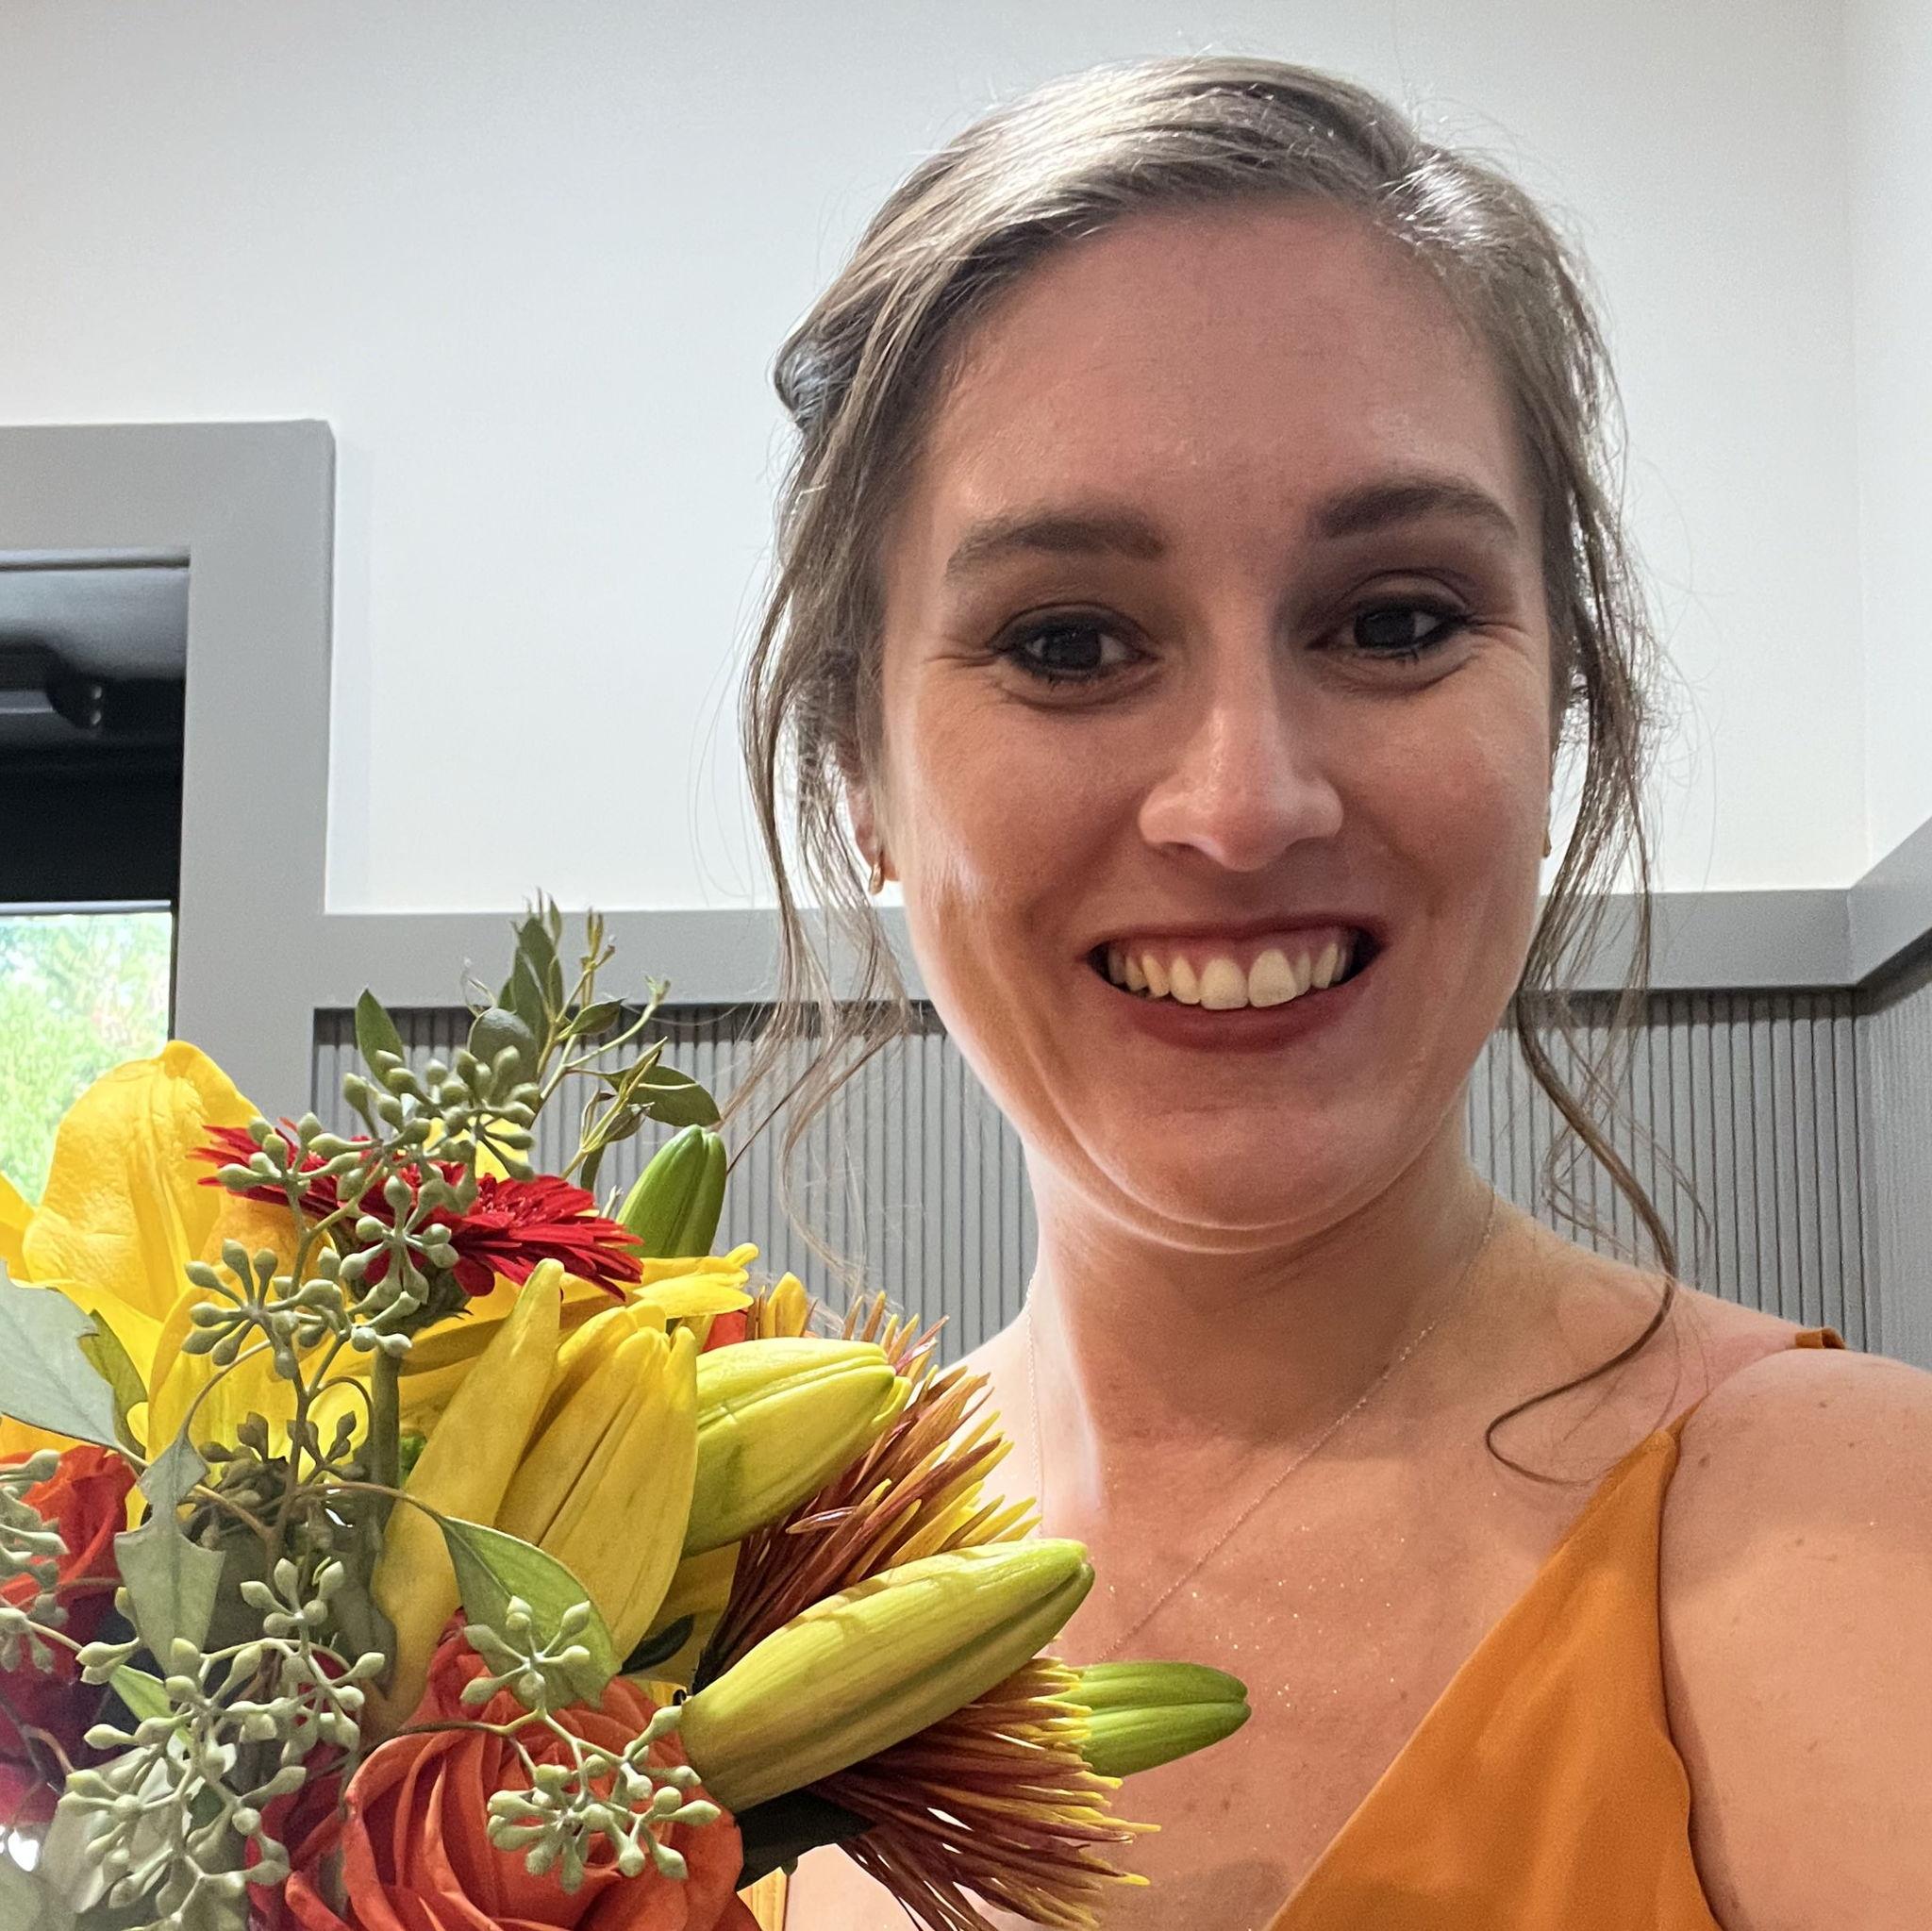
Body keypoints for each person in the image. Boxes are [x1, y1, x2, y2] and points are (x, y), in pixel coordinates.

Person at [738, 55, 1932, 1930]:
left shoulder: (1847, 1530)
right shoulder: (707, 1618)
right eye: (1069, 641)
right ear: (857, 776)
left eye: (1394, 622)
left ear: (1560, 710)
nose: (1244, 804)